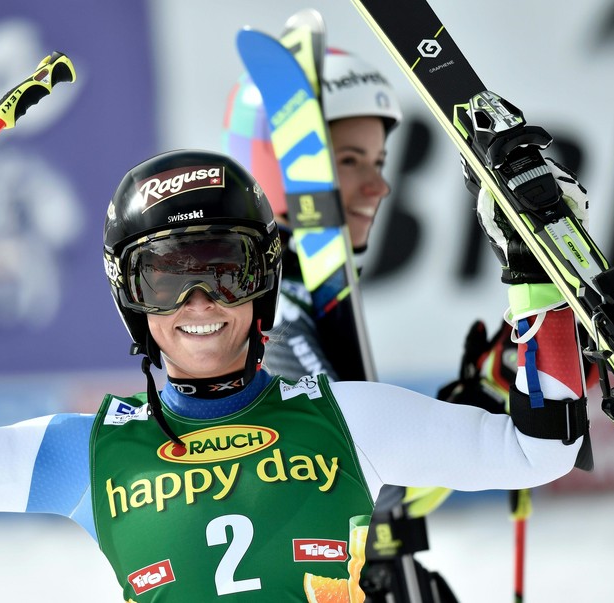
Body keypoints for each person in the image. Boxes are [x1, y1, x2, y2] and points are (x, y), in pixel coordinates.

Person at [0, 149, 588, 602]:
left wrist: (533, 271)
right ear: (131, 298)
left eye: (224, 271)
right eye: (166, 279)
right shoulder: (89, 453)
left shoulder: (348, 420)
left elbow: (539, 447)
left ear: (261, 281)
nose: (199, 304)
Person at [223, 47, 476, 602]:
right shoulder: (270, 322)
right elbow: (361, 478)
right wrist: (482, 419)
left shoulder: (289, 298)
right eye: (348, 161)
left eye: (379, 161)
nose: (380, 187)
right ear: (279, 165)